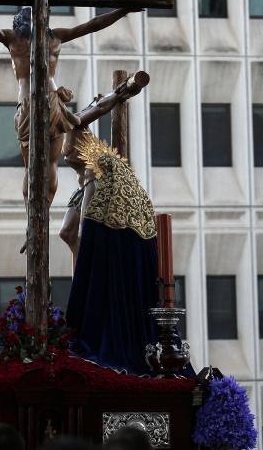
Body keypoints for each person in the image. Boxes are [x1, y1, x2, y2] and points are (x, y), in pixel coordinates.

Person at [0, 5, 139, 209]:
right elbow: (92, 25)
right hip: (51, 101)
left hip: (28, 103)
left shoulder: (13, 38)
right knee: (50, 164)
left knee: (30, 167)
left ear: (18, 22)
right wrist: (122, 11)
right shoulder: (55, 37)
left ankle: (33, 217)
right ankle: (42, 212)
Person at [64, 132, 160, 375]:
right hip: (96, 240)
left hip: (103, 250)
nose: (65, 150)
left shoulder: (96, 171)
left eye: (70, 145)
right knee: (67, 233)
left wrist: (87, 253)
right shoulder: (87, 177)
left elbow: (87, 225)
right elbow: (71, 231)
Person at [60, 72, 148, 262]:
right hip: (82, 187)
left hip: (96, 178)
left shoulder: (74, 121)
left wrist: (119, 93)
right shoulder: (55, 137)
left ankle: (91, 270)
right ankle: (83, 268)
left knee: (86, 233)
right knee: (66, 233)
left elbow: (100, 107)